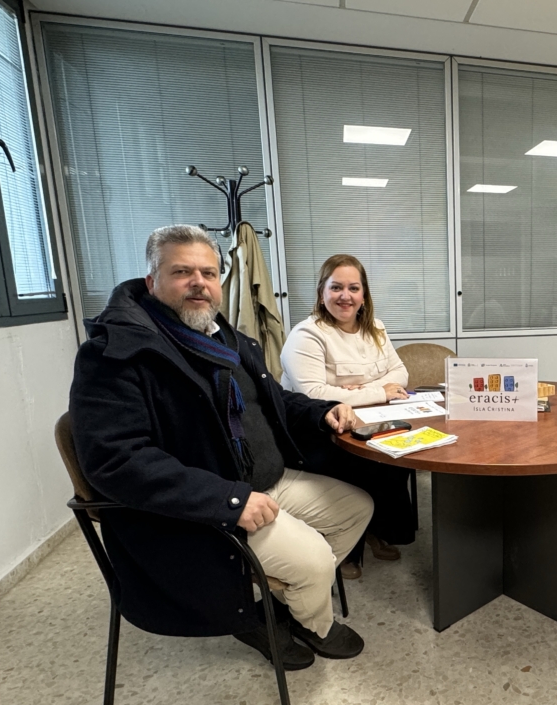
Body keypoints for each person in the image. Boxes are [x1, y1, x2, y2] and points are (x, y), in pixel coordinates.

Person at [70, 224, 373, 671]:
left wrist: (323, 410)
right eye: (182, 272)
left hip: (264, 480)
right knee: (313, 562)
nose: (199, 283)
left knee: (356, 509)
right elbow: (115, 460)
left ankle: (274, 603)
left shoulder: (221, 337)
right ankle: (300, 621)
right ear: (152, 281)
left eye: (209, 273)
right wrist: (227, 500)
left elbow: (272, 400)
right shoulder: (115, 353)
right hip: (204, 508)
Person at [280, 254, 415, 580]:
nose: (346, 296)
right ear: (321, 293)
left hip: (369, 421)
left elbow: (400, 373)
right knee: (356, 463)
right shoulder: (306, 335)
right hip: (315, 432)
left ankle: (377, 530)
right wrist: (378, 390)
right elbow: (314, 394)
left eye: (354, 288)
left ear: (364, 295)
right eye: (336, 287)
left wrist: (354, 390)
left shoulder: (376, 328)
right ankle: (345, 546)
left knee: (397, 458)